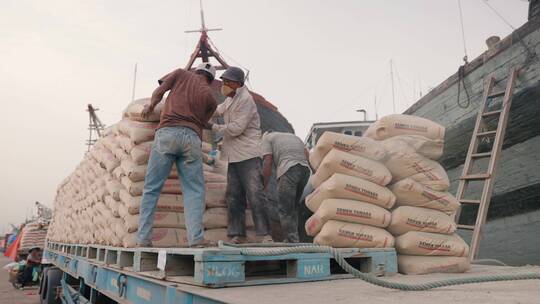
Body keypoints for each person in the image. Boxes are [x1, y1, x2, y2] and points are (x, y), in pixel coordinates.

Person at [137, 63, 218, 248]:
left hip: (167, 133)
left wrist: (150, 106)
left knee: (151, 188)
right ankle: (196, 240)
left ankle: (143, 239)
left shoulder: (181, 74)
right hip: (192, 140)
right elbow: (203, 122)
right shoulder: (211, 99)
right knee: (194, 191)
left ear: (195, 71)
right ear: (211, 80)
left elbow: (160, 91)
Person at [208, 66, 272, 244]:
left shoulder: (246, 100)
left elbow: (236, 129)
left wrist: (213, 127)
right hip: (234, 155)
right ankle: (237, 233)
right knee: (233, 195)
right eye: (224, 81)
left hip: (249, 155)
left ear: (238, 83)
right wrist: (204, 112)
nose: (224, 85)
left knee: (255, 193)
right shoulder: (231, 99)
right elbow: (219, 110)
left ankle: (265, 234)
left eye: (228, 82)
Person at [262, 131, 311, 242]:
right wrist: (315, 172)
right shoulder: (295, 137)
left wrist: (263, 185)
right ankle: (295, 239)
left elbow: (267, 161)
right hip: (304, 171)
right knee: (293, 208)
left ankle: (291, 240)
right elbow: (307, 155)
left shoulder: (266, 138)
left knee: (285, 209)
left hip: (289, 170)